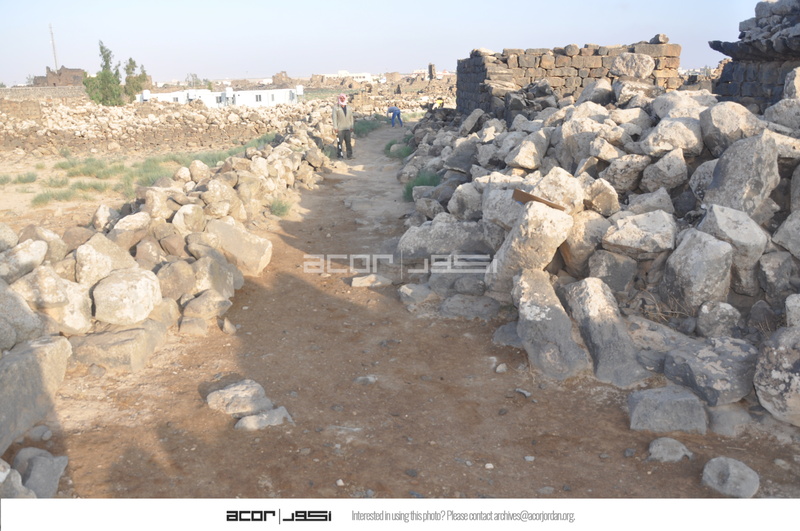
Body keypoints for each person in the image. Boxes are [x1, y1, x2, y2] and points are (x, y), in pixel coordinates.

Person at [332, 93, 355, 159]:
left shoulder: (348, 107)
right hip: (340, 128)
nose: (342, 99)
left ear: (345, 99)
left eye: (343, 98)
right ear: (339, 99)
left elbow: (351, 117)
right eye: (341, 98)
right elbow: (334, 118)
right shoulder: (336, 108)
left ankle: (349, 155)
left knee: (348, 142)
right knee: (340, 143)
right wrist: (335, 127)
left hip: (348, 128)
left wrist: (352, 126)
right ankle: (340, 155)